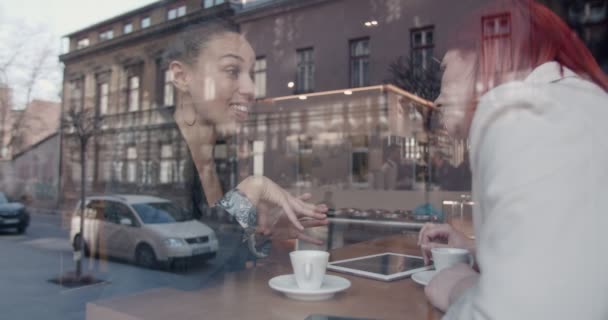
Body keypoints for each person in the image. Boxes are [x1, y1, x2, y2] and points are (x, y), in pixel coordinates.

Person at [417, 0, 608, 318]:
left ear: (484, 51)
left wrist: (459, 288)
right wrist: (479, 250)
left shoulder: (516, 111)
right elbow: (580, 255)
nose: (436, 100)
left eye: (444, 70)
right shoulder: (580, 105)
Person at [165, 20, 328, 270]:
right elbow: (179, 264)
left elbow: (220, 256)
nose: (251, 89)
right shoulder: (167, 160)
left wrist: (269, 233)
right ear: (182, 76)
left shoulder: (216, 161)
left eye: (251, 74)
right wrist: (253, 188)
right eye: (232, 71)